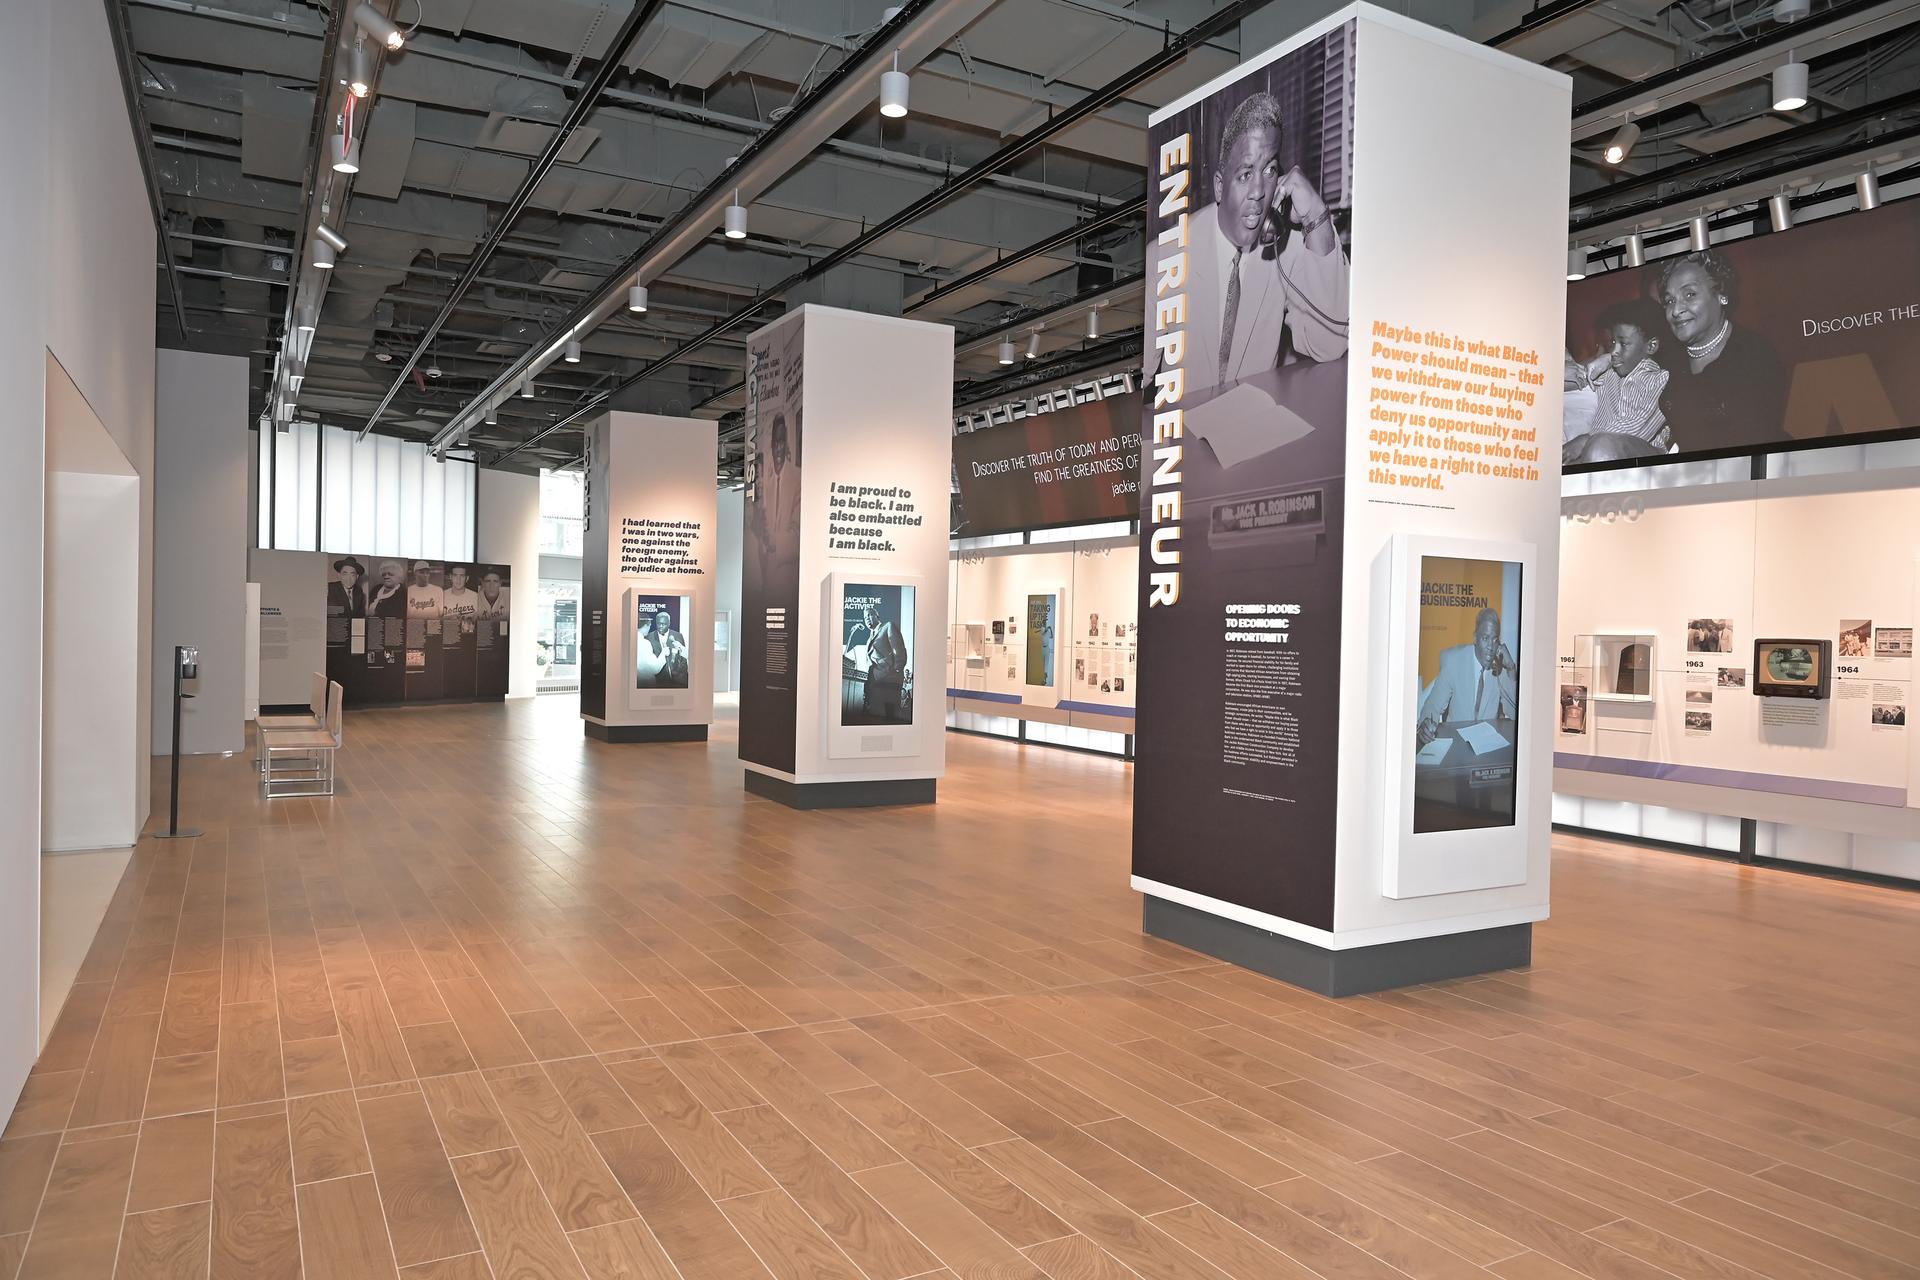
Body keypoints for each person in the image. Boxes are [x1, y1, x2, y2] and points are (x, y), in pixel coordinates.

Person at [1164, 91, 1350, 404]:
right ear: (1220, 185)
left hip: (1253, 435)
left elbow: (1330, 343)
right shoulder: (1171, 252)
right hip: (1183, 437)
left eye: (1269, 171)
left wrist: (1316, 216)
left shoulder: (1285, 247)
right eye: (1246, 174)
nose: (1259, 192)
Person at [1655, 251, 1786, 449]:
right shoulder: (1666, 362)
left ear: (1722, 295)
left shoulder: (1753, 356)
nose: (1675, 310)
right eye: (1670, 300)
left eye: (1689, 295)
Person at [1564, 299, 1669, 463]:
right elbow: (1581, 383)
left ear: (1651, 346)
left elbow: (1634, 428)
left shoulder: (1658, 380)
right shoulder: (1610, 374)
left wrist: (1586, 440)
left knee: (1599, 448)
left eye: (1623, 344)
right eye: (1613, 342)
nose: (1613, 351)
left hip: (1644, 459)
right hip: (1599, 454)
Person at [1418, 607, 1518, 747]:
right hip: (1457, 743)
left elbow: (1516, 714)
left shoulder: (1499, 667)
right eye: (1485, 638)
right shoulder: (1454, 661)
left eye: (1495, 640)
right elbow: (1433, 705)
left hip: (1487, 746)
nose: (1491, 646)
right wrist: (1425, 726)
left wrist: (1511, 668)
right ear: (1475, 638)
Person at [850, 602, 909, 721]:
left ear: (877, 617)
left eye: (870, 615)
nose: (867, 619)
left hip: (890, 680)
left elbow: (899, 650)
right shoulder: (869, 638)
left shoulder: (888, 626)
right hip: (875, 681)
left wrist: (896, 671)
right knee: (877, 717)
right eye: (865, 617)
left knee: (891, 717)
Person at [637, 609, 689, 688]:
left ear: (669, 623)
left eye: (663, 624)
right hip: (658, 682)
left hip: (678, 681)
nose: (660, 626)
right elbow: (652, 666)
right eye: (658, 623)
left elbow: (683, 659)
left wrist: (681, 675)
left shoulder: (678, 636)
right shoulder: (648, 638)